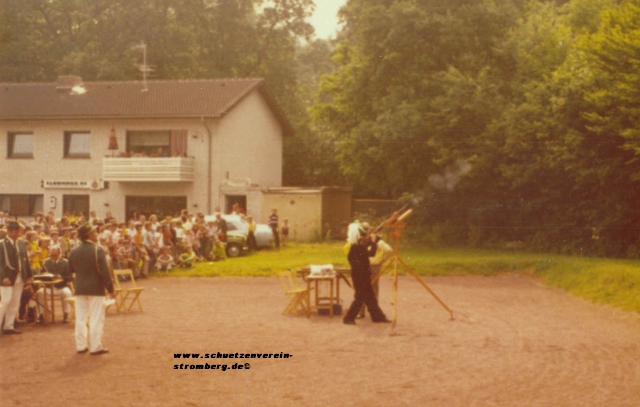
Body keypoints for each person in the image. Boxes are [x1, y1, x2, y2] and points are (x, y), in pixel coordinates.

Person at [68, 223, 116, 355]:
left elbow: (70, 269)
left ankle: (81, 346)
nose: (96, 234)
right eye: (94, 232)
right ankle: (96, 347)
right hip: (95, 288)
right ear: (88, 234)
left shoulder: (74, 251)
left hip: (80, 288)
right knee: (96, 318)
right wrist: (111, 289)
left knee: (81, 318)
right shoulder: (98, 250)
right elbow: (105, 272)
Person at [342, 225, 391, 325]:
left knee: (370, 297)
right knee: (360, 297)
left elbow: (368, 247)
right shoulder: (357, 247)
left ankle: (377, 316)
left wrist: (376, 237)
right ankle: (348, 318)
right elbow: (372, 253)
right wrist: (373, 241)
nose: (365, 237)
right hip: (361, 277)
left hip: (362, 275)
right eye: (364, 236)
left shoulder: (356, 246)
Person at [0, 221, 34, 335]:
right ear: (9, 231)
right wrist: (2, 276)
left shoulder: (20, 243)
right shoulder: (2, 244)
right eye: (16, 232)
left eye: (19, 232)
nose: (18, 234)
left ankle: (8, 326)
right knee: (5, 301)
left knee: (15, 302)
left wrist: (29, 275)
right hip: (7, 277)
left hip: (20, 276)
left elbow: (26, 261)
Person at [358, 223, 393, 319]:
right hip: (369, 266)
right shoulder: (369, 241)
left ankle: (365, 313)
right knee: (371, 289)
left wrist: (383, 260)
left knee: (369, 289)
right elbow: (389, 250)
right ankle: (371, 312)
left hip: (371, 266)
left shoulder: (373, 241)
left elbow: (389, 250)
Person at [37, 245, 73, 323]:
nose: (53, 257)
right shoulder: (46, 262)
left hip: (62, 286)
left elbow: (70, 277)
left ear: (60, 253)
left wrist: (61, 277)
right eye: (51, 255)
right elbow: (40, 275)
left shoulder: (66, 263)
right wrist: (45, 276)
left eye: (55, 255)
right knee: (39, 293)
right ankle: (41, 315)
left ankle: (66, 314)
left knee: (66, 293)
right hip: (49, 287)